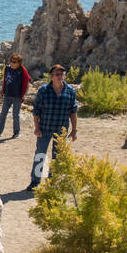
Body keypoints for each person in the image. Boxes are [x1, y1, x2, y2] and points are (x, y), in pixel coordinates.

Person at [27, 63, 78, 191]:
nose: (60, 76)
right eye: (57, 74)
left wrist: (74, 130)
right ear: (51, 77)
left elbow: (73, 111)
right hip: (44, 128)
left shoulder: (70, 91)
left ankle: (52, 182)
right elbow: (36, 111)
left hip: (61, 130)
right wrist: (37, 128)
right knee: (40, 155)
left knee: (57, 156)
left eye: (62, 74)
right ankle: (35, 182)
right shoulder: (43, 90)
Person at [0, 53, 31, 139]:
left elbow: (26, 82)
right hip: (8, 94)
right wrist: (2, 90)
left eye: (14, 62)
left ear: (19, 63)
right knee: (3, 114)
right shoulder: (7, 68)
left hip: (17, 96)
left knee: (15, 115)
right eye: (11, 61)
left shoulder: (22, 70)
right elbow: (5, 80)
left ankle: (16, 132)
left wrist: (24, 95)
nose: (12, 63)